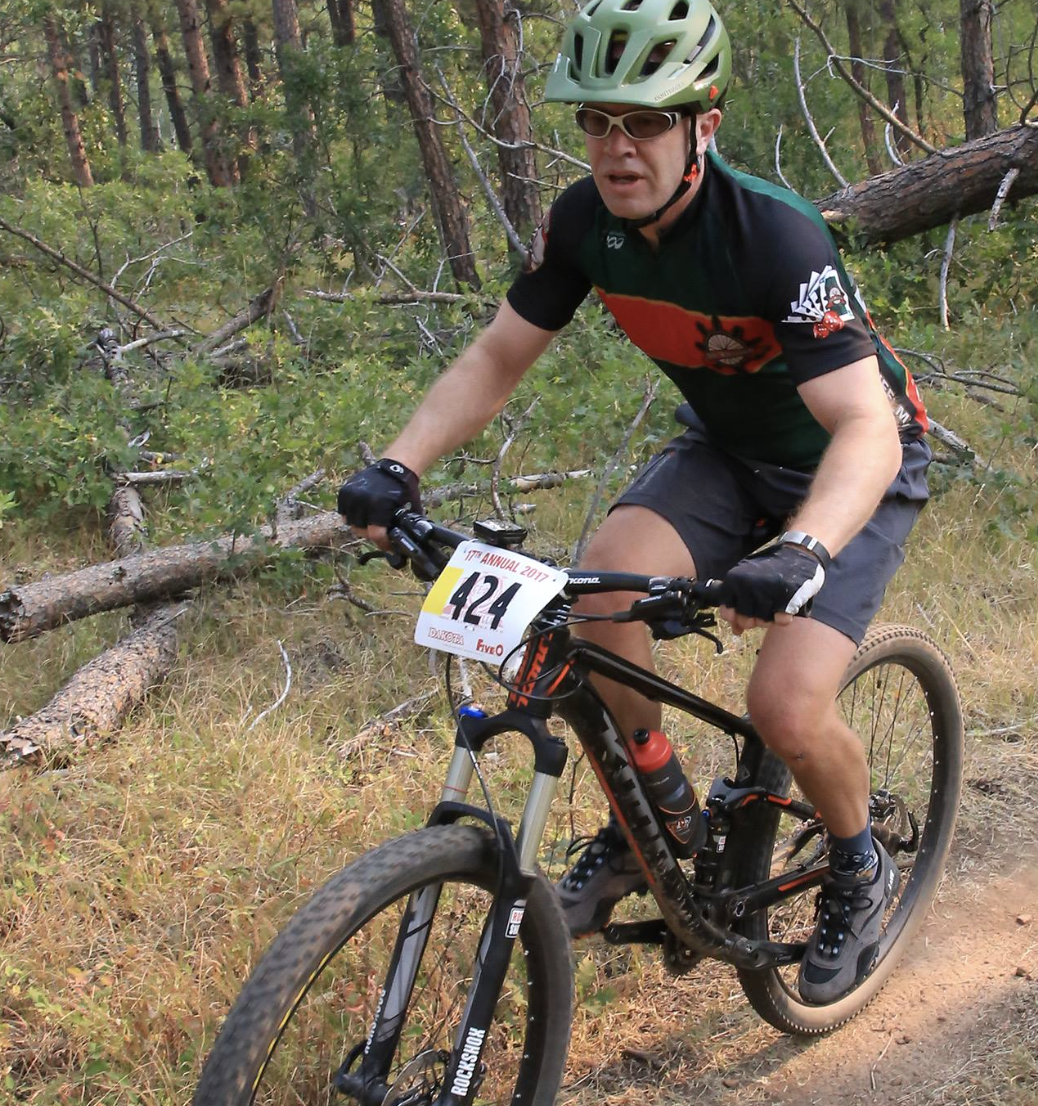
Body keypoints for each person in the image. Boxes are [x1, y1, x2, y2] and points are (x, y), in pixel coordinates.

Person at [336, 0, 931, 1005]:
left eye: (644, 122)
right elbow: (495, 356)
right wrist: (397, 467)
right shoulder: (582, 226)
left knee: (784, 706)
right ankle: (654, 810)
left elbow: (864, 428)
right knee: (597, 596)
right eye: (596, 122)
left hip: (848, 468)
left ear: (703, 124)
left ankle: (857, 862)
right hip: (729, 452)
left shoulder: (774, 239)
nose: (617, 149)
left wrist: (801, 551)